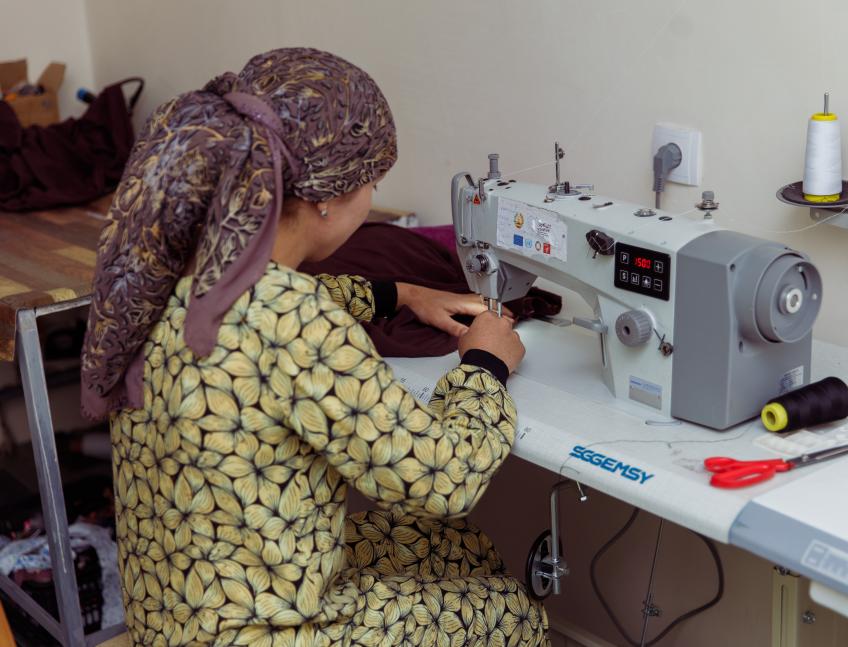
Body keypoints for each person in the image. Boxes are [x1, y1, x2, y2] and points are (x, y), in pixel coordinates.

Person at [80, 48, 548, 646]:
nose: (374, 195)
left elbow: (291, 305)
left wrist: (400, 295)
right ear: (328, 197)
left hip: (180, 611)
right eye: (373, 182)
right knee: (508, 612)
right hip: (264, 634)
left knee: (442, 544)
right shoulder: (292, 320)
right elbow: (443, 478)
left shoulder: (171, 269)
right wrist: (486, 361)